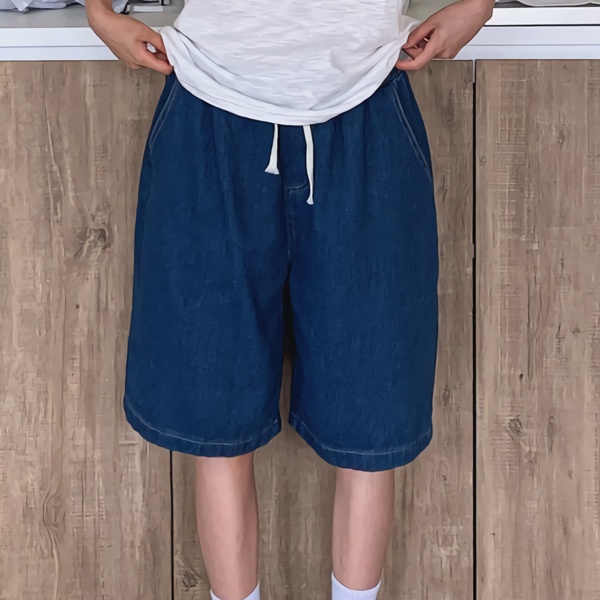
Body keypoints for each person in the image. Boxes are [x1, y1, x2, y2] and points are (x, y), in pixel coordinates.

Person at [87, 0, 491, 598]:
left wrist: (480, 5)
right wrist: (98, 12)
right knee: (215, 405)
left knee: (371, 409)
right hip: (209, 102)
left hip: (366, 102)